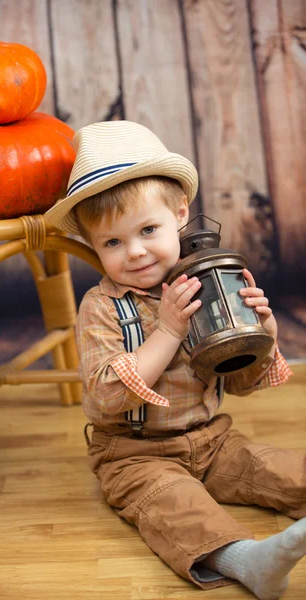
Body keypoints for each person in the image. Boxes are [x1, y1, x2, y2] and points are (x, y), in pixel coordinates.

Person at [45, 120, 306, 599]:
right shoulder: (101, 307)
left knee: (272, 467)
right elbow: (107, 397)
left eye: (148, 230)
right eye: (113, 243)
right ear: (92, 245)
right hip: (133, 453)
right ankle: (247, 560)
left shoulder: (206, 286)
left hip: (211, 438)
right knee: (175, 506)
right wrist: (167, 330)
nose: (137, 252)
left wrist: (262, 333)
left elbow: (242, 382)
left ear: (180, 215)